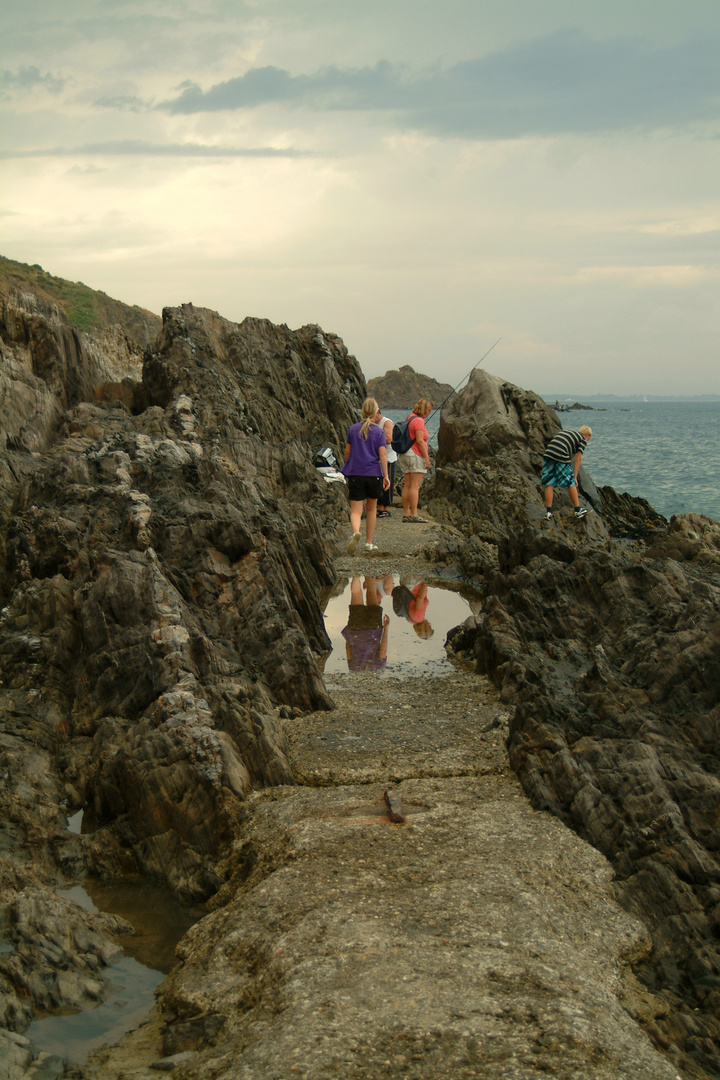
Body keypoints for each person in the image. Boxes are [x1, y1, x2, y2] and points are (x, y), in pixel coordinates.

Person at [341, 397, 390, 553]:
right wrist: (386, 475)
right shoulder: (379, 432)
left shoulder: (353, 429)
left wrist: (346, 467)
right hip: (374, 473)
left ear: (362, 411)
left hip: (356, 473)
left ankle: (356, 532)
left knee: (356, 510)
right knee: (371, 509)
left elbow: (347, 451)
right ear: (376, 412)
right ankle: (368, 543)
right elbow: (382, 455)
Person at [541, 425, 593, 519]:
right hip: (561, 454)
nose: (588, 440)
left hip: (549, 453)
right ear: (586, 435)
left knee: (549, 483)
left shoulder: (568, 432)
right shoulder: (582, 439)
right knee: (571, 482)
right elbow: (578, 459)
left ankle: (548, 512)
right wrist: (575, 476)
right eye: (589, 438)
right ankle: (577, 510)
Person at [341, 576, 390, 672]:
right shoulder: (353, 669)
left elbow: (382, 651)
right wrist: (349, 631)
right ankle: (356, 576)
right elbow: (348, 649)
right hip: (355, 629)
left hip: (373, 628)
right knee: (356, 594)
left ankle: (369, 571)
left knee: (371, 591)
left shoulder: (379, 670)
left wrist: (386, 629)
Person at [397, 398, 432, 523]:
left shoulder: (409, 418)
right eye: (428, 410)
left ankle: (406, 513)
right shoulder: (419, 421)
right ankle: (414, 514)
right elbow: (420, 441)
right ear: (423, 409)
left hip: (404, 454)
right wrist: (427, 458)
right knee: (415, 486)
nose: (429, 412)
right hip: (415, 455)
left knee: (407, 484)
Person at [374, 407, 397, 518]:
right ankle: (379, 507)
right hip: (377, 459)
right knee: (378, 483)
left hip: (388, 458)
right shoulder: (373, 423)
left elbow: (389, 439)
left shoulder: (386, 422)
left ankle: (385, 507)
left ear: (378, 412)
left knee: (387, 483)